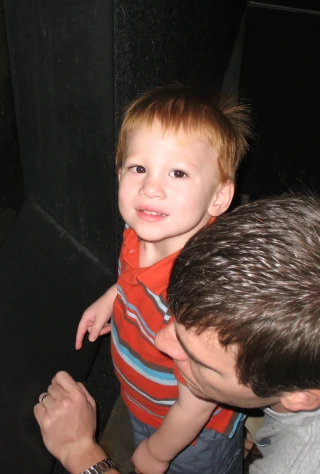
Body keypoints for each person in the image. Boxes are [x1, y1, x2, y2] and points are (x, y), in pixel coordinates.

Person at [36, 194, 320, 473]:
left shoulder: (309, 466)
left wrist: (81, 454)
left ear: (299, 397)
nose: (161, 341)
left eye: (199, 359)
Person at [74, 84, 252, 474]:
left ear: (218, 198)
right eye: (139, 167)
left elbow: (199, 400)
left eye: (177, 172)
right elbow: (134, 274)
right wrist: (113, 295)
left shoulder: (198, 292)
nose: (151, 187)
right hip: (146, 401)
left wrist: (159, 452)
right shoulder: (143, 228)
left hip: (191, 431)